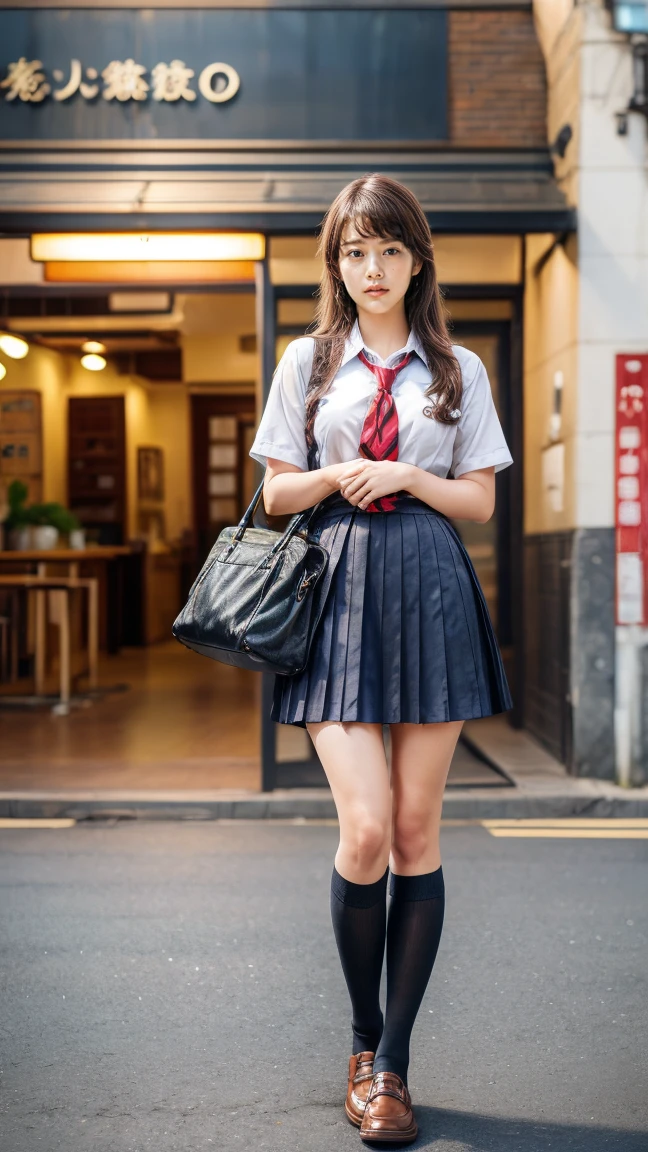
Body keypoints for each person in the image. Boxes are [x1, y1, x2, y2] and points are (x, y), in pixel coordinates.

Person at [249, 173, 513, 1144]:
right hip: (339, 591)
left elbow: (481, 499)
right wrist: (336, 476)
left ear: (417, 259)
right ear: (337, 263)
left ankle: (393, 1063)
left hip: (432, 585)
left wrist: (410, 476)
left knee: (414, 830)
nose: (372, 269)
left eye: (389, 250)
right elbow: (278, 495)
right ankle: (363, 1043)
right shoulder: (309, 363)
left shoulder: (458, 370)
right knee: (363, 830)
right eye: (355, 252)